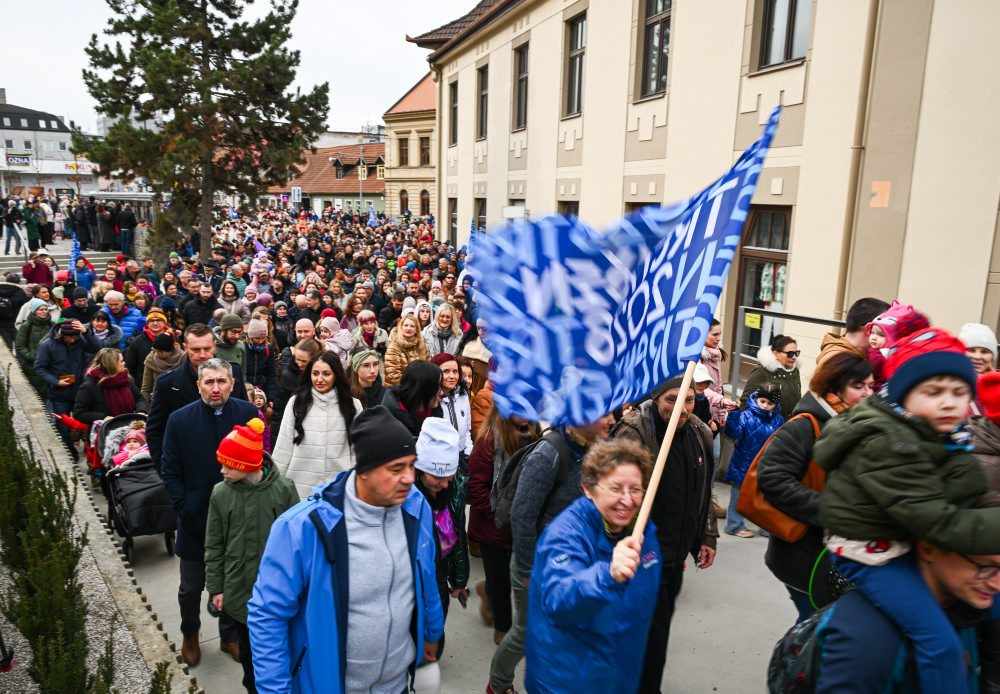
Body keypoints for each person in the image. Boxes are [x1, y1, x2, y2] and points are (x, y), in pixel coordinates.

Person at [815, 326, 1000, 693]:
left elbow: (965, 486)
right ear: (903, 397)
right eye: (933, 392)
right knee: (939, 643)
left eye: (960, 392)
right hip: (870, 553)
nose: (949, 403)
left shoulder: (939, 435)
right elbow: (936, 520)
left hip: (894, 536)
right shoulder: (890, 441)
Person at [248, 406, 445, 692]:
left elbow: (427, 577)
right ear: (363, 470)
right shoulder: (302, 528)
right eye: (396, 469)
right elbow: (267, 616)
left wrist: (432, 633)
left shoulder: (415, 508)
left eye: (412, 465)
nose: (410, 478)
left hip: (398, 685)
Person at [770, 536, 999, 693]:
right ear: (928, 548)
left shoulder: (965, 607)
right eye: (985, 567)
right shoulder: (869, 639)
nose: (998, 584)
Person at [488, 411, 615, 694]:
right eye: (604, 414)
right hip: (538, 565)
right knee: (526, 632)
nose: (611, 419)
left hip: (575, 562)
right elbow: (522, 515)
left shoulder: (594, 451)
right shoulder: (550, 453)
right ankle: (498, 684)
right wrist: (527, 569)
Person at [525, 439, 661, 693]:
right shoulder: (564, 535)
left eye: (635, 489)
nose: (627, 500)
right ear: (589, 489)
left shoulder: (645, 533)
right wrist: (608, 575)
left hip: (619, 674)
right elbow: (559, 598)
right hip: (567, 680)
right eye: (615, 488)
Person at [610, 376, 718, 693]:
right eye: (672, 399)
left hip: (675, 555)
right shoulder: (634, 432)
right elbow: (614, 498)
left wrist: (706, 537)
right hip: (642, 555)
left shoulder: (698, 431)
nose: (681, 409)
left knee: (659, 630)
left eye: (688, 400)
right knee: (646, 635)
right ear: (657, 399)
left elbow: (703, 491)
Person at [757, 352, 874, 623]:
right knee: (817, 625)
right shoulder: (805, 425)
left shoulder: (852, 424)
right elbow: (772, 478)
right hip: (803, 555)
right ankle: (792, 661)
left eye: (870, 385)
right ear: (833, 388)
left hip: (831, 554)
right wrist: (832, 511)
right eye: (859, 386)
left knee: (820, 624)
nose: (868, 393)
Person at [160, 358, 258, 666]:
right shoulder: (179, 420)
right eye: (209, 382)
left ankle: (229, 636)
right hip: (195, 520)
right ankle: (190, 633)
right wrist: (184, 507)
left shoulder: (246, 413)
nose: (215, 388)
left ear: (232, 383)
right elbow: (170, 470)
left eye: (221, 381)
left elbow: (259, 460)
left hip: (237, 521)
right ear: (198, 384)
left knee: (234, 584)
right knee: (190, 588)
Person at [205, 417, 299, 693]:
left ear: (245, 465)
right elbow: (214, 544)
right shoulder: (220, 494)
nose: (221, 470)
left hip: (279, 591)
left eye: (227, 464)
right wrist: (216, 588)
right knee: (249, 659)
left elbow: (298, 543)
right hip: (240, 590)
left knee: (282, 653)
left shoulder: (284, 490)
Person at [468, 406, 541, 645]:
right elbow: (476, 486)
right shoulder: (489, 439)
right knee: (501, 583)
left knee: (513, 577)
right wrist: (496, 515)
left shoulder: (536, 435)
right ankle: (502, 631)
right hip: (493, 525)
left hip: (522, 520)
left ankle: (485, 589)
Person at [146, 324, 248, 469]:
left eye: (207, 349)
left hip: (232, 466)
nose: (202, 355)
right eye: (195, 349)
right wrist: (166, 471)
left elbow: (244, 418)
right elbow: (155, 431)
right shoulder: (167, 383)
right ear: (185, 348)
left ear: (214, 345)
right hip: (189, 468)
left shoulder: (233, 372)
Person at [413, 417, 469, 657]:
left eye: (450, 477)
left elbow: (457, 534)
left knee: (437, 621)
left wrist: (459, 579)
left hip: (441, 571)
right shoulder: (407, 495)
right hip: (415, 576)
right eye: (438, 478)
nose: (445, 485)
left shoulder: (453, 488)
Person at [272, 352, 360, 499]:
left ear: (336, 375)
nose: (319, 379)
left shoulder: (353, 406)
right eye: (315, 373)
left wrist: (353, 480)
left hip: (339, 488)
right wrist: (275, 484)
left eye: (326, 374)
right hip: (299, 489)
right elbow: (284, 444)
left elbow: (356, 449)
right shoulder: (296, 403)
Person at [723, 384, 784, 538]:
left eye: (770, 403)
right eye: (762, 401)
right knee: (738, 495)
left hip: (765, 465)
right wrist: (733, 416)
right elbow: (733, 433)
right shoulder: (745, 415)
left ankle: (764, 526)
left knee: (764, 498)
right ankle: (734, 525)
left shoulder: (778, 420)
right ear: (757, 398)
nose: (765, 406)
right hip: (743, 462)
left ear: (775, 405)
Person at [34, 317, 100, 454]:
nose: (73, 340)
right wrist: (55, 381)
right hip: (59, 394)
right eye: (70, 337)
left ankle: (89, 453)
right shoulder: (48, 345)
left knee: (82, 424)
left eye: (76, 337)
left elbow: (97, 348)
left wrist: (86, 331)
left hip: (79, 392)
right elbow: (39, 367)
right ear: (62, 335)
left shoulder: (80, 341)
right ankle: (72, 454)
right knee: (62, 427)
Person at [73, 347, 146, 427]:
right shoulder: (89, 386)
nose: (124, 363)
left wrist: (141, 412)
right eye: (121, 361)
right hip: (103, 432)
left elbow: (139, 398)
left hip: (129, 429)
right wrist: (103, 417)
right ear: (111, 364)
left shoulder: (126, 379)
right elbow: (79, 413)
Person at [271, 338, 321, 443]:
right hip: (295, 428)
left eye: (304, 361)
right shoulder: (287, 376)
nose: (299, 363)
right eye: (297, 359)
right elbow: (279, 411)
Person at [741, 334, 802, 416]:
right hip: (768, 426)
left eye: (796, 353)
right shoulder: (762, 371)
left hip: (790, 426)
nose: (794, 357)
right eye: (790, 353)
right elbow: (746, 401)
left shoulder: (794, 371)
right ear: (776, 353)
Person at [817, 297, 890, 366]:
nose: (890, 338)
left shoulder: (846, 356)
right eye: (885, 332)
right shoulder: (839, 363)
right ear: (869, 329)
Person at [429, 352, 473, 464]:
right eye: (446, 371)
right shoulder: (430, 400)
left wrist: (469, 453)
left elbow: (467, 429)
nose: (452, 376)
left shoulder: (463, 395)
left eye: (455, 371)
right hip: (439, 460)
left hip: (462, 457)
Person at [382, 360, 443, 438]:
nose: (441, 393)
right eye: (437, 386)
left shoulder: (436, 413)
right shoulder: (388, 420)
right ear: (423, 388)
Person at [125, 308, 171, 388]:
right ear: (147, 323)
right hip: (144, 386)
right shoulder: (137, 342)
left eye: (159, 320)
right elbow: (129, 367)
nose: (155, 323)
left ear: (165, 323)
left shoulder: (173, 340)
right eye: (152, 321)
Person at [384, 314, 429, 387]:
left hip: (419, 389)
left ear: (416, 330)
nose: (409, 328)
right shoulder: (394, 346)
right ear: (400, 327)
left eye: (412, 326)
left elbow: (428, 369)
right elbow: (393, 375)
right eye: (406, 325)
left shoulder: (422, 345)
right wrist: (413, 387)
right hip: (399, 390)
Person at [141, 333, 184, 404]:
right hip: (157, 401)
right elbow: (146, 388)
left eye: (160, 351)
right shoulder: (151, 359)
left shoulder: (183, 358)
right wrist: (146, 408)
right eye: (155, 350)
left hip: (179, 402)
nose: (157, 353)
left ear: (170, 351)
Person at [459, 319, 492, 395]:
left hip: (485, 394)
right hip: (465, 392)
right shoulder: (468, 342)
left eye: (484, 329)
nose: (480, 332)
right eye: (478, 328)